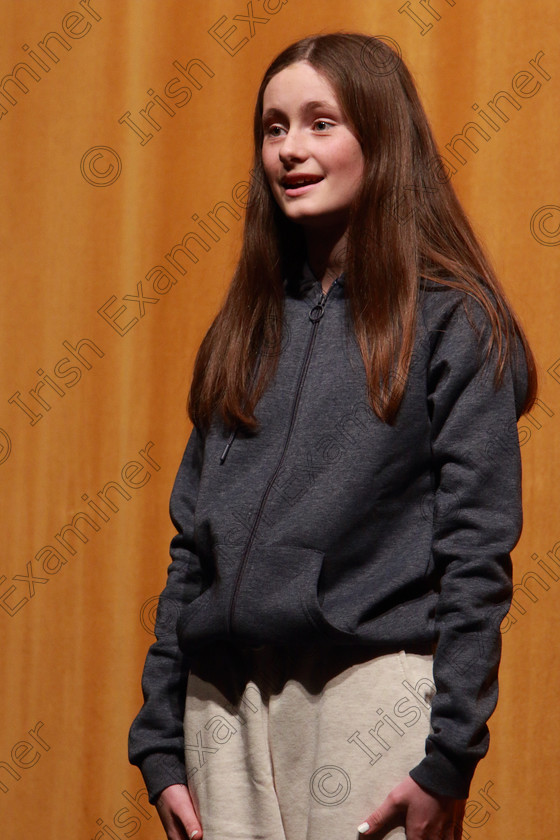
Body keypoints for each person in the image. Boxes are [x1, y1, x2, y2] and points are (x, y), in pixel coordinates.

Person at [128, 32, 538, 840]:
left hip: (369, 698)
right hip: (220, 707)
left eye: (322, 122)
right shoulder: (241, 330)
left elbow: (476, 551)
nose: (290, 149)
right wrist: (159, 743)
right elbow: (191, 549)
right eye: (274, 127)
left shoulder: (454, 321)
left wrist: (448, 754)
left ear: (381, 139)